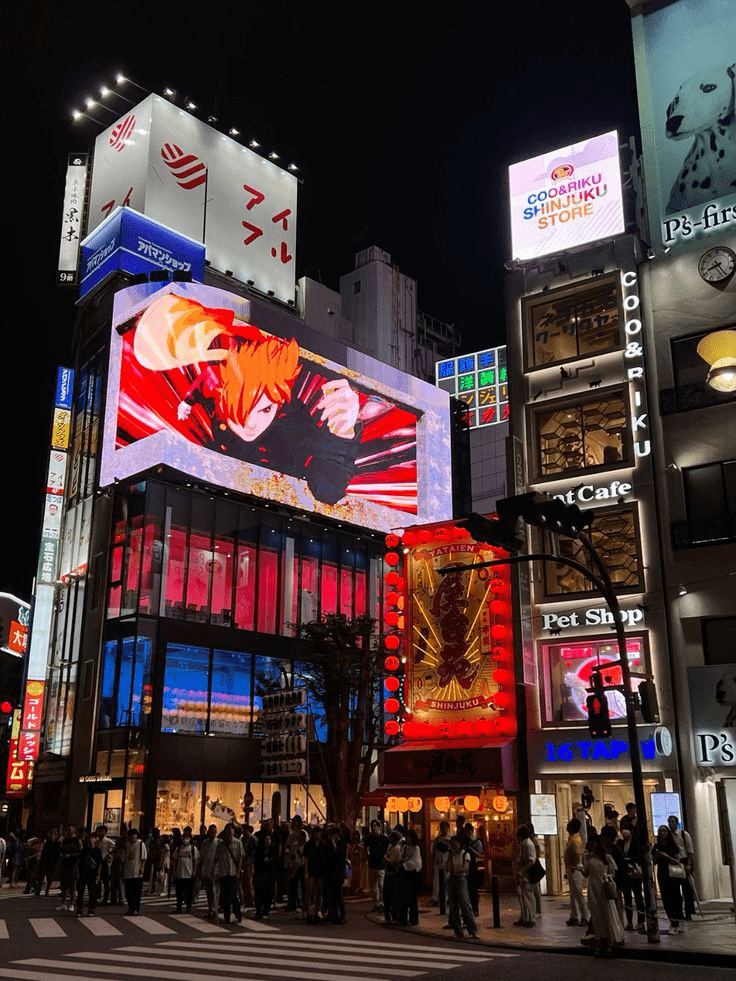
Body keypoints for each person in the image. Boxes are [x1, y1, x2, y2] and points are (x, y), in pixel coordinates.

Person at [133, 293, 362, 506]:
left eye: (264, 410)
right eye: (239, 410)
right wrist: (186, 403)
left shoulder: (293, 423)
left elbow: (326, 490)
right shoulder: (216, 381)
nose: (250, 423)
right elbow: (203, 384)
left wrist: (342, 435)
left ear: (279, 404)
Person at [582, 831, 624, 957]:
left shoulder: (606, 857)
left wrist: (608, 879)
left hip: (604, 888)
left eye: (593, 842)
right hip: (593, 888)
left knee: (607, 914)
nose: (592, 845)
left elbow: (613, 872)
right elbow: (586, 873)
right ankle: (601, 940)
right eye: (590, 843)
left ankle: (609, 941)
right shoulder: (588, 858)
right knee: (596, 915)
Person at [653, 824, 684, 935]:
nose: (662, 833)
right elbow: (654, 861)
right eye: (660, 831)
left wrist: (666, 856)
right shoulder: (656, 846)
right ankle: (672, 921)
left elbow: (677, 860)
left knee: (675, 897)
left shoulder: (672, 845)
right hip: (662, 874)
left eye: (664, 831)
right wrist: (657, 855)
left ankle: (677, 921)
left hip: (673, 874)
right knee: (666, 898)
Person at [446, 835, 478, 938]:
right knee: (453, 905)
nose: (454, 846)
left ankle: (472, 930)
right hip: (452, 879)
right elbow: (448, 868)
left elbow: (464, 868)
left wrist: (456, 869)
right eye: (452, 844)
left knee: (465, 904)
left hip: (461, 879)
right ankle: (458, 930)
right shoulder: (451, 855)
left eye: (456, 844)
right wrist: (452, 863)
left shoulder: (465, 854)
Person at [668, 814, 696, 921]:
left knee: (687, 890)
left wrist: (689, 865)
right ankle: (678, 913)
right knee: (675, 891)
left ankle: (688, 913)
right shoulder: (668, 836)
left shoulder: (684, 835)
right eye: (669, 822)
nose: (671, 824)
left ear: (677, 822)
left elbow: (690, 851)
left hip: (684, 862)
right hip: (674, 862)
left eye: (673, 821)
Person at [215, 823, 243, 923]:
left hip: (233, 872)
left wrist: (238, 871)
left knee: (232, 894)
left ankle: (237, 913)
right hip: (223, 872)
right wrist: (216, 871)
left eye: (231, 831)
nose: (229, 833)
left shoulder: (238, 843)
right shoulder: (221, 844)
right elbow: (217, 858)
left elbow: (240, 858)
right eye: (227, 831)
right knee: (225, 894)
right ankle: (227, 915)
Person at [564, 818, 590, 927]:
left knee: (579, 894)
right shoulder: (574, 838)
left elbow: (578, 855)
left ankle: (585, 916)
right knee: (574, 895)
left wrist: (574, 866)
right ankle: (574, 915)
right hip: (572, 868)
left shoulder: (576, 839)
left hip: (575, 869)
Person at [619, 824, 645, 931]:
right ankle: (629, 921)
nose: (624, 833)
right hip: (625, 873)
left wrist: (632, 863)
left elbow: (639, 857)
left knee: (638, 897)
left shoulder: (636, 843)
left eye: (626, 830)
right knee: (627, 898)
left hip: (634, 873)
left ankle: (641, 921)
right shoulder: (620, 843)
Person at [171, 825, 198, 913]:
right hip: (180, 873)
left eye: (187, 835)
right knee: (179, 892)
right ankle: (178, 907)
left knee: (189, 892)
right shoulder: (178, 848)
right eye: (184, 835)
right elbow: (175, 860)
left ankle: (188, 907)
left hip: (189, 873)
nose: (185, 837)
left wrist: (194, 871)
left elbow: (195, 861)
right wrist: (174, 871)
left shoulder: (193, 849)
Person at [324, 825, 348, 924]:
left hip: (338, 873)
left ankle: (342, 914)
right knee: (330, 894)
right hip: (330, 872)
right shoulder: (328, 845)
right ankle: (333, 913)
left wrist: (334, 846)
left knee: (339, 895)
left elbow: (341, 859)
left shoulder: (342, 845)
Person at [514, 825, 537, 928]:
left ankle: (530, 918)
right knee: (523, 896)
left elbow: (531, 860)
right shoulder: (524, 844)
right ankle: (524, 917)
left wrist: (523, 871)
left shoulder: (528, 844)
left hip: (527, 874)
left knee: (528, 896)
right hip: (524, 873)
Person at [399, 828, 422, 926]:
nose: (407, 839)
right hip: (404, 873)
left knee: (412, 897)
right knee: (403, 896)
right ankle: (403, 918)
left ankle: (413, 918)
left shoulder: (416, 848)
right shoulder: (404, 847)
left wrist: (404, 863)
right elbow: (401, 857)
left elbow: (415, 862)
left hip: (411, 874)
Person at [76, 832, 103, 916]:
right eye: (89, 839)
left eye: (92, 838)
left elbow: (99, 863)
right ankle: (79, 909)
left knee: (92, 892)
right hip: (83, 872)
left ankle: (91, 909)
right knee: (81, 891)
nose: (90, 840)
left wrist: (98, 874)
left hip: (93, 873)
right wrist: (77, 872)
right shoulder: (84, 850)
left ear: (95, 840)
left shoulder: (97, 851)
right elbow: (79, 861)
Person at [303, 825, 326, 923]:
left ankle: (318, 911)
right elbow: (306, 859)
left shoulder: (323, 845)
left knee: (319, 893)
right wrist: (306, 872)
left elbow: (325, 860)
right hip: (311, 870)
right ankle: (308, 913)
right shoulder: (309, 845)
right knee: (309, 893)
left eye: (318, 832)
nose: (317, 834)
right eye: (315, 832)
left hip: (321, 871)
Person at [365, 819, 389, 912]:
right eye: (372, 826)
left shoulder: (384, 838)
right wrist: (367, 856)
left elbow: (387, 849)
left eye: (375, 826)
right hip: (372, 864)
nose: (374, 828)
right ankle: (376, 903)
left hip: (381, 865)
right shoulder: (369, 838)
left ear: (379, 827)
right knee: (373, 885)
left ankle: (381, 902)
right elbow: (366, 848)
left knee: (381, 884)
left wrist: (385, 858)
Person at [123, 828, 147, 915]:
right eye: (130, 835)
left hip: (137, 872)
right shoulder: (127, 845)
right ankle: (130, 908)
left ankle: (136, 908)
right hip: (128, 871)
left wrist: (142, 867)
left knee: (136, 892)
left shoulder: (140, 844)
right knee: (128, 892)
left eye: (134, 835)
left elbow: (143, 857)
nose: (132, 837)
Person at [383, 830, 404, 925]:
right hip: (388, 872)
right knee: (386, 896)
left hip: (393, 873)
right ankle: (387, 916)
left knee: (393, 896)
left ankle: (394, 916)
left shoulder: (396, 848)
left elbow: (392, 861)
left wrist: (386, 859)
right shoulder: (390, 847)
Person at [199, 824, 220, 920]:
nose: (213, 833)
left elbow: (219, 858)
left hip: (215, 871)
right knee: (208, 892)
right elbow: (202, 857)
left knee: (215, 891)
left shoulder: (219, 842)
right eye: (211, 831)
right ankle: (210, 910)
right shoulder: (205, 843)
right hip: (206, 870)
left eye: (214, 831)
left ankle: (215, 910)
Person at [57, 826, 80, 911]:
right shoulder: (65, 840)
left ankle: (72, 904)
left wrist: (70, 855)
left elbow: (79, 852)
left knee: (72, 886)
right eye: (67, 830)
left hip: (73, 865)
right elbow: (61, 849)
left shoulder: (77, 840)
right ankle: (63, 903)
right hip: (64, 864)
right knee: (63, 885)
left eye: (69, 830)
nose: (68, 831)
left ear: (73, 831)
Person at [432, 821, 451, 916]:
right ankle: (436, 898)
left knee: (447, 882)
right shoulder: (437, 840)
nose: (443, 830)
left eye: (445, 828)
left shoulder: (450, 840)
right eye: (442, 828)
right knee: (437, 882)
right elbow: (434, 851)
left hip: (447, 863)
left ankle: (446, 899)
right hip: (438, 863)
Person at [36, 828, 61, 897]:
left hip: (52, 862)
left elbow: (58, 853)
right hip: (45, 861)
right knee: (41, 876)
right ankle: (38, 890)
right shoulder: (47, 843)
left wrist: (56, 862)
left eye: (53, 834)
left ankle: (47, 889)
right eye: (51, 834)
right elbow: (44, 852)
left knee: (50, 877)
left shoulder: (57, 844)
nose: (51, 836)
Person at [95, 825, 115, 905]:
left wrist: (109, 855)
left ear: (105, 832)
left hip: (104, 862)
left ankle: (105, 898)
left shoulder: (108, 841)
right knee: (97, 881)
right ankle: (97, 897)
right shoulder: (96, 841)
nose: (99, 833)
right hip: (97, 862)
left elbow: (115, 848)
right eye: (99, 831)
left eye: (101, 831)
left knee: (106, 881)